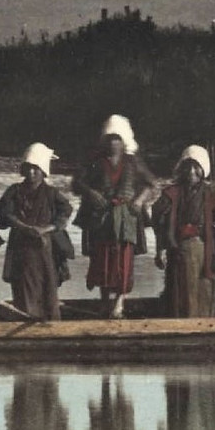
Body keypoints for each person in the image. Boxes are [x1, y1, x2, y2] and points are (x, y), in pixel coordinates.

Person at [71, 114, 156, 318]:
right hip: (102, 218)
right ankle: (104, 301)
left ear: (124, 141)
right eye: (110, 139)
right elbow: (77, 184)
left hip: (126, 218)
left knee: (124, 260)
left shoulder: (132, 162)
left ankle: (119, 304)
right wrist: (91, 193)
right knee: (102, 259)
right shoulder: (95, 162)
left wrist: (139, 200)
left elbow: (150, 183)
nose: (114, 143)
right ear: (105, 140)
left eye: (117, 139)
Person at [151, 145, 215, 318]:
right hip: (178, 248)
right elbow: (160, 222)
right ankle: (183, 322)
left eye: (196, 167)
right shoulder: (171, 193)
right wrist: (159, 251)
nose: (192, 172)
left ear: (204, 169)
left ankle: (204, 323)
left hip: (204, 249)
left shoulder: (211, 194)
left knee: (203, 288)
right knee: (181, 289)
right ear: (182, 169)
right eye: (188, 167)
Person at [0, 143, 72, 321]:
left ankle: (50, 323)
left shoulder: (52, 193)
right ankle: (28, 319)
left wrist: (47, 229)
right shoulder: (14, 191)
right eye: (28, 168)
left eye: (36, 169)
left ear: (44, 171)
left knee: (49, 287)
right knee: (23, 286)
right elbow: (5, 214)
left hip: (46, 249)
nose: (31, 173)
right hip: (21, 248)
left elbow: (65, 211)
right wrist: (24, 227)